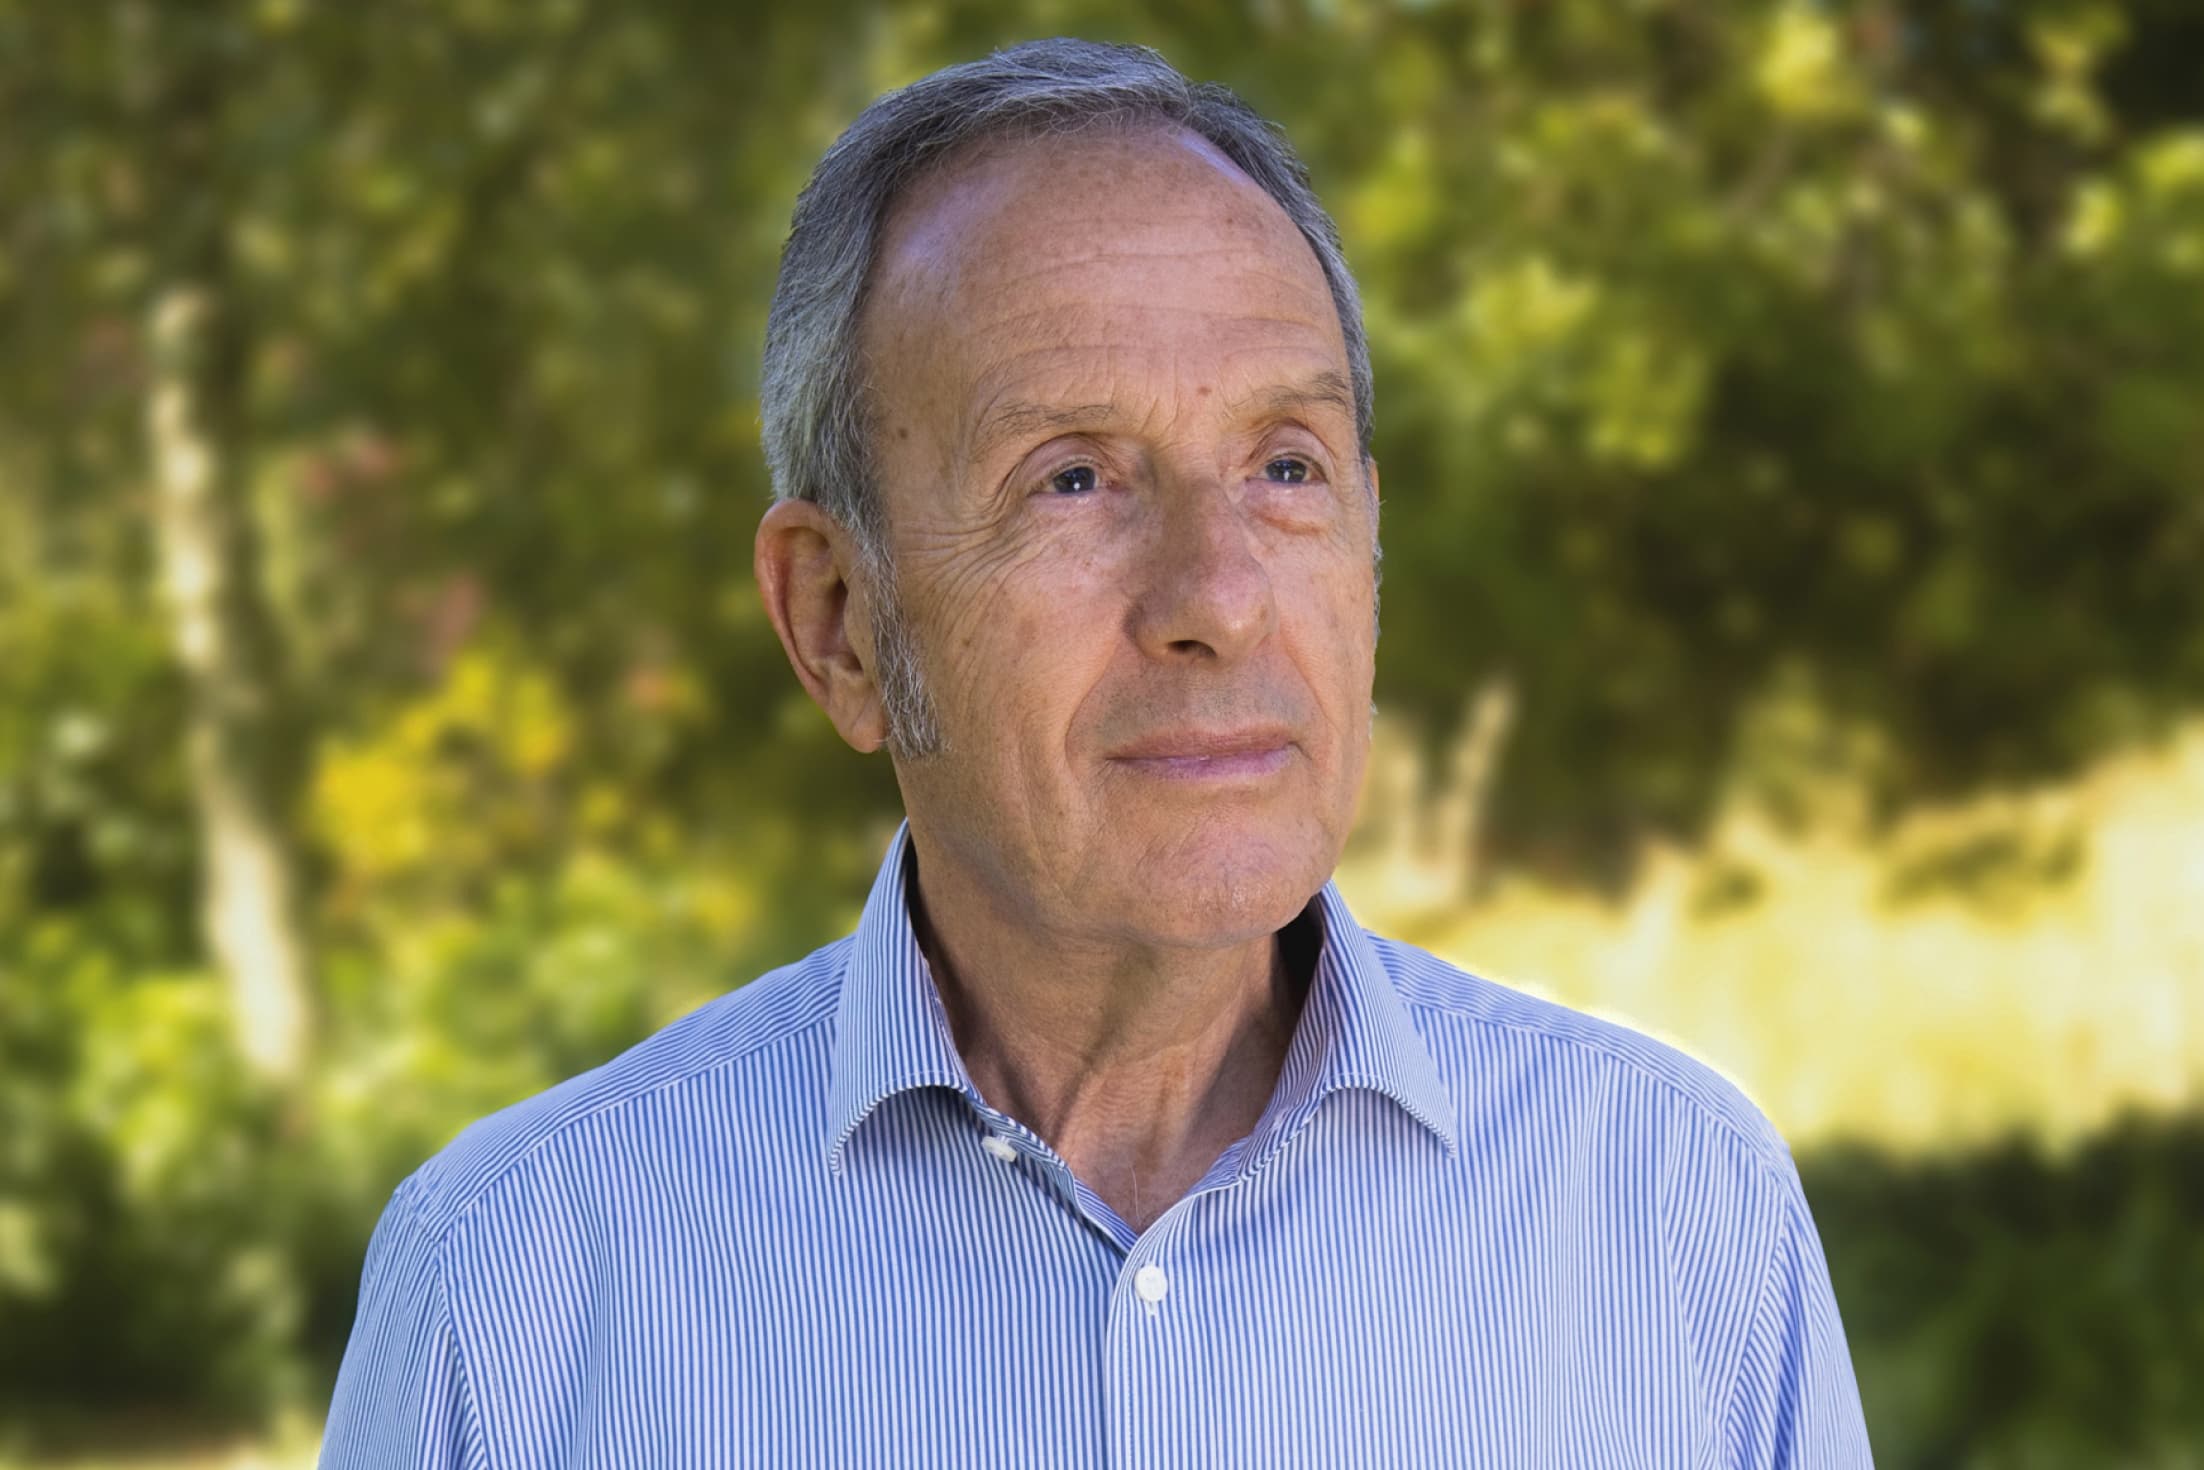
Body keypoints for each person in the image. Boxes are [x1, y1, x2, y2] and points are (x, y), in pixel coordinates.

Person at [320, 37, 1875, 1468]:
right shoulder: (516, 1286)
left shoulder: (1678, 1211)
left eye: (1285, 465)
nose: (1216, 596)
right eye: (1072, 480)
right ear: (840, 621)